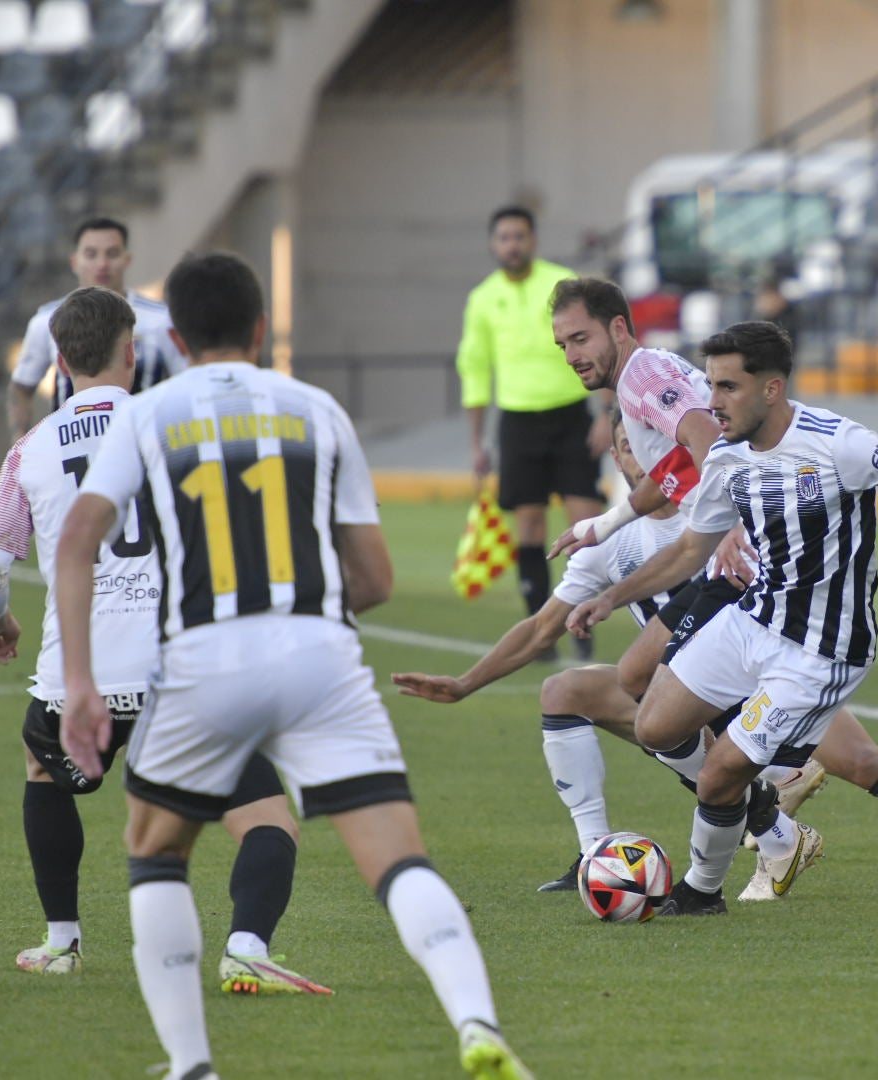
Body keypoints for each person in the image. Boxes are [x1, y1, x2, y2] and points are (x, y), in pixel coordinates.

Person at [54, 255, 531, 1080]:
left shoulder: (147, 415)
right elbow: (376, 579)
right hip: (319, 655)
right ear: (261, 327)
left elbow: (75, 543)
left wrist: (82, 684)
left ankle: (191, 1064)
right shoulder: (318, 409)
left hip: (202, 658)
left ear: (171, 337)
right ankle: (477, 1024)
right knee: (398, 860)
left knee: (156, 852)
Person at [553, 282, 878, 904]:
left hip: (822, 647)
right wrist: (611, 596)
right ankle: (769, 811)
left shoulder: (838, 443)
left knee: (728, 771)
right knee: (656, 726)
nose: (712, 402)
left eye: (727, 387)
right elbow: (691, 550)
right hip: (752, 620)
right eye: (709, 385)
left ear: (771, 388)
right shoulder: (726, 457)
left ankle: (704, 888)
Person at [0, 286, 325, 993]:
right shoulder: (180, 424)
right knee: (266, 818)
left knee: (45, 776)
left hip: (79, 676)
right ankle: (247, 946)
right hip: (184, 669)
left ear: (60, 363)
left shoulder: (30, 449)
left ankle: (61, 942)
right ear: (133, 352)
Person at [392, 412, 827, 892]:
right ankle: (595, 856)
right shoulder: (608, 540)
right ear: (615, 456)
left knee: (868, 764)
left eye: (651, 441)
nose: (641, 454)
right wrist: (464, 684)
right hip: (676, 693)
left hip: (761, 681)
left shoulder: (719, 516)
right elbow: (542, 628)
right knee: (565, 690)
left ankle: (774, 812)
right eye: (627, 445)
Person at [456, 206, 608, 649]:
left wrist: (604, 413)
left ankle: (583, 622)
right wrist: (477, 443)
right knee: (531, 527)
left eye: (519, 236)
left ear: (533, 240)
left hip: (570, 415)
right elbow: (474, 368)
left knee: (585, 523)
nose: (512, 245)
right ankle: (541, 632)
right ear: (493, 244)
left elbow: (593, 344)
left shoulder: (560, 284)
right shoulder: (483, 298)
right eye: (504, 237)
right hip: (518, 420)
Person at [8, 217, 186, 439]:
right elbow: (22, 387)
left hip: (146, 446)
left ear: (127, 260)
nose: (102, 264)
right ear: (75, 262)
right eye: (91, 254)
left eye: (112, 254)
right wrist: (21, 438)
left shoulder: (161, 319)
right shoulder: (47, 320)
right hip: (73, 450)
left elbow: (185, 381)